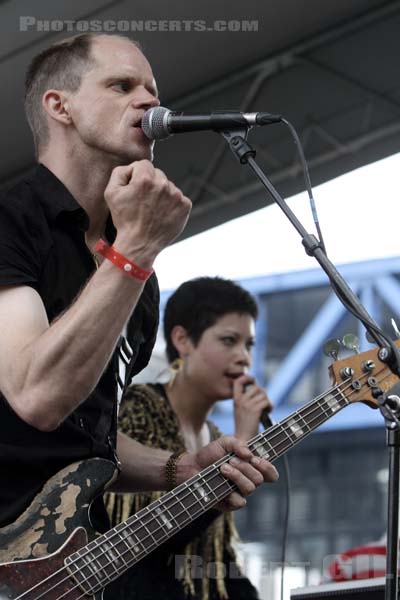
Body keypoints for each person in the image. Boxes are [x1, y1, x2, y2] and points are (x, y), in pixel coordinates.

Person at [0, 31, 278, 572]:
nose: (151, 101)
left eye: (152, 89)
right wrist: (136, 249)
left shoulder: (134, 271)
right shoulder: (11, 224)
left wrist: (179, 467)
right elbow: (35, 399)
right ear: (59, 106)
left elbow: (86, 435)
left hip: (67, 563)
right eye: (122, 85)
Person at [105, 276, 273, 599]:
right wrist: (243, 440)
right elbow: (140, 543)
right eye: (229, 340)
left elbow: (217, 563)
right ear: (182, 340)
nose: (244, 357)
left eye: (248, 344)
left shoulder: (215, 436)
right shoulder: (138, 409)